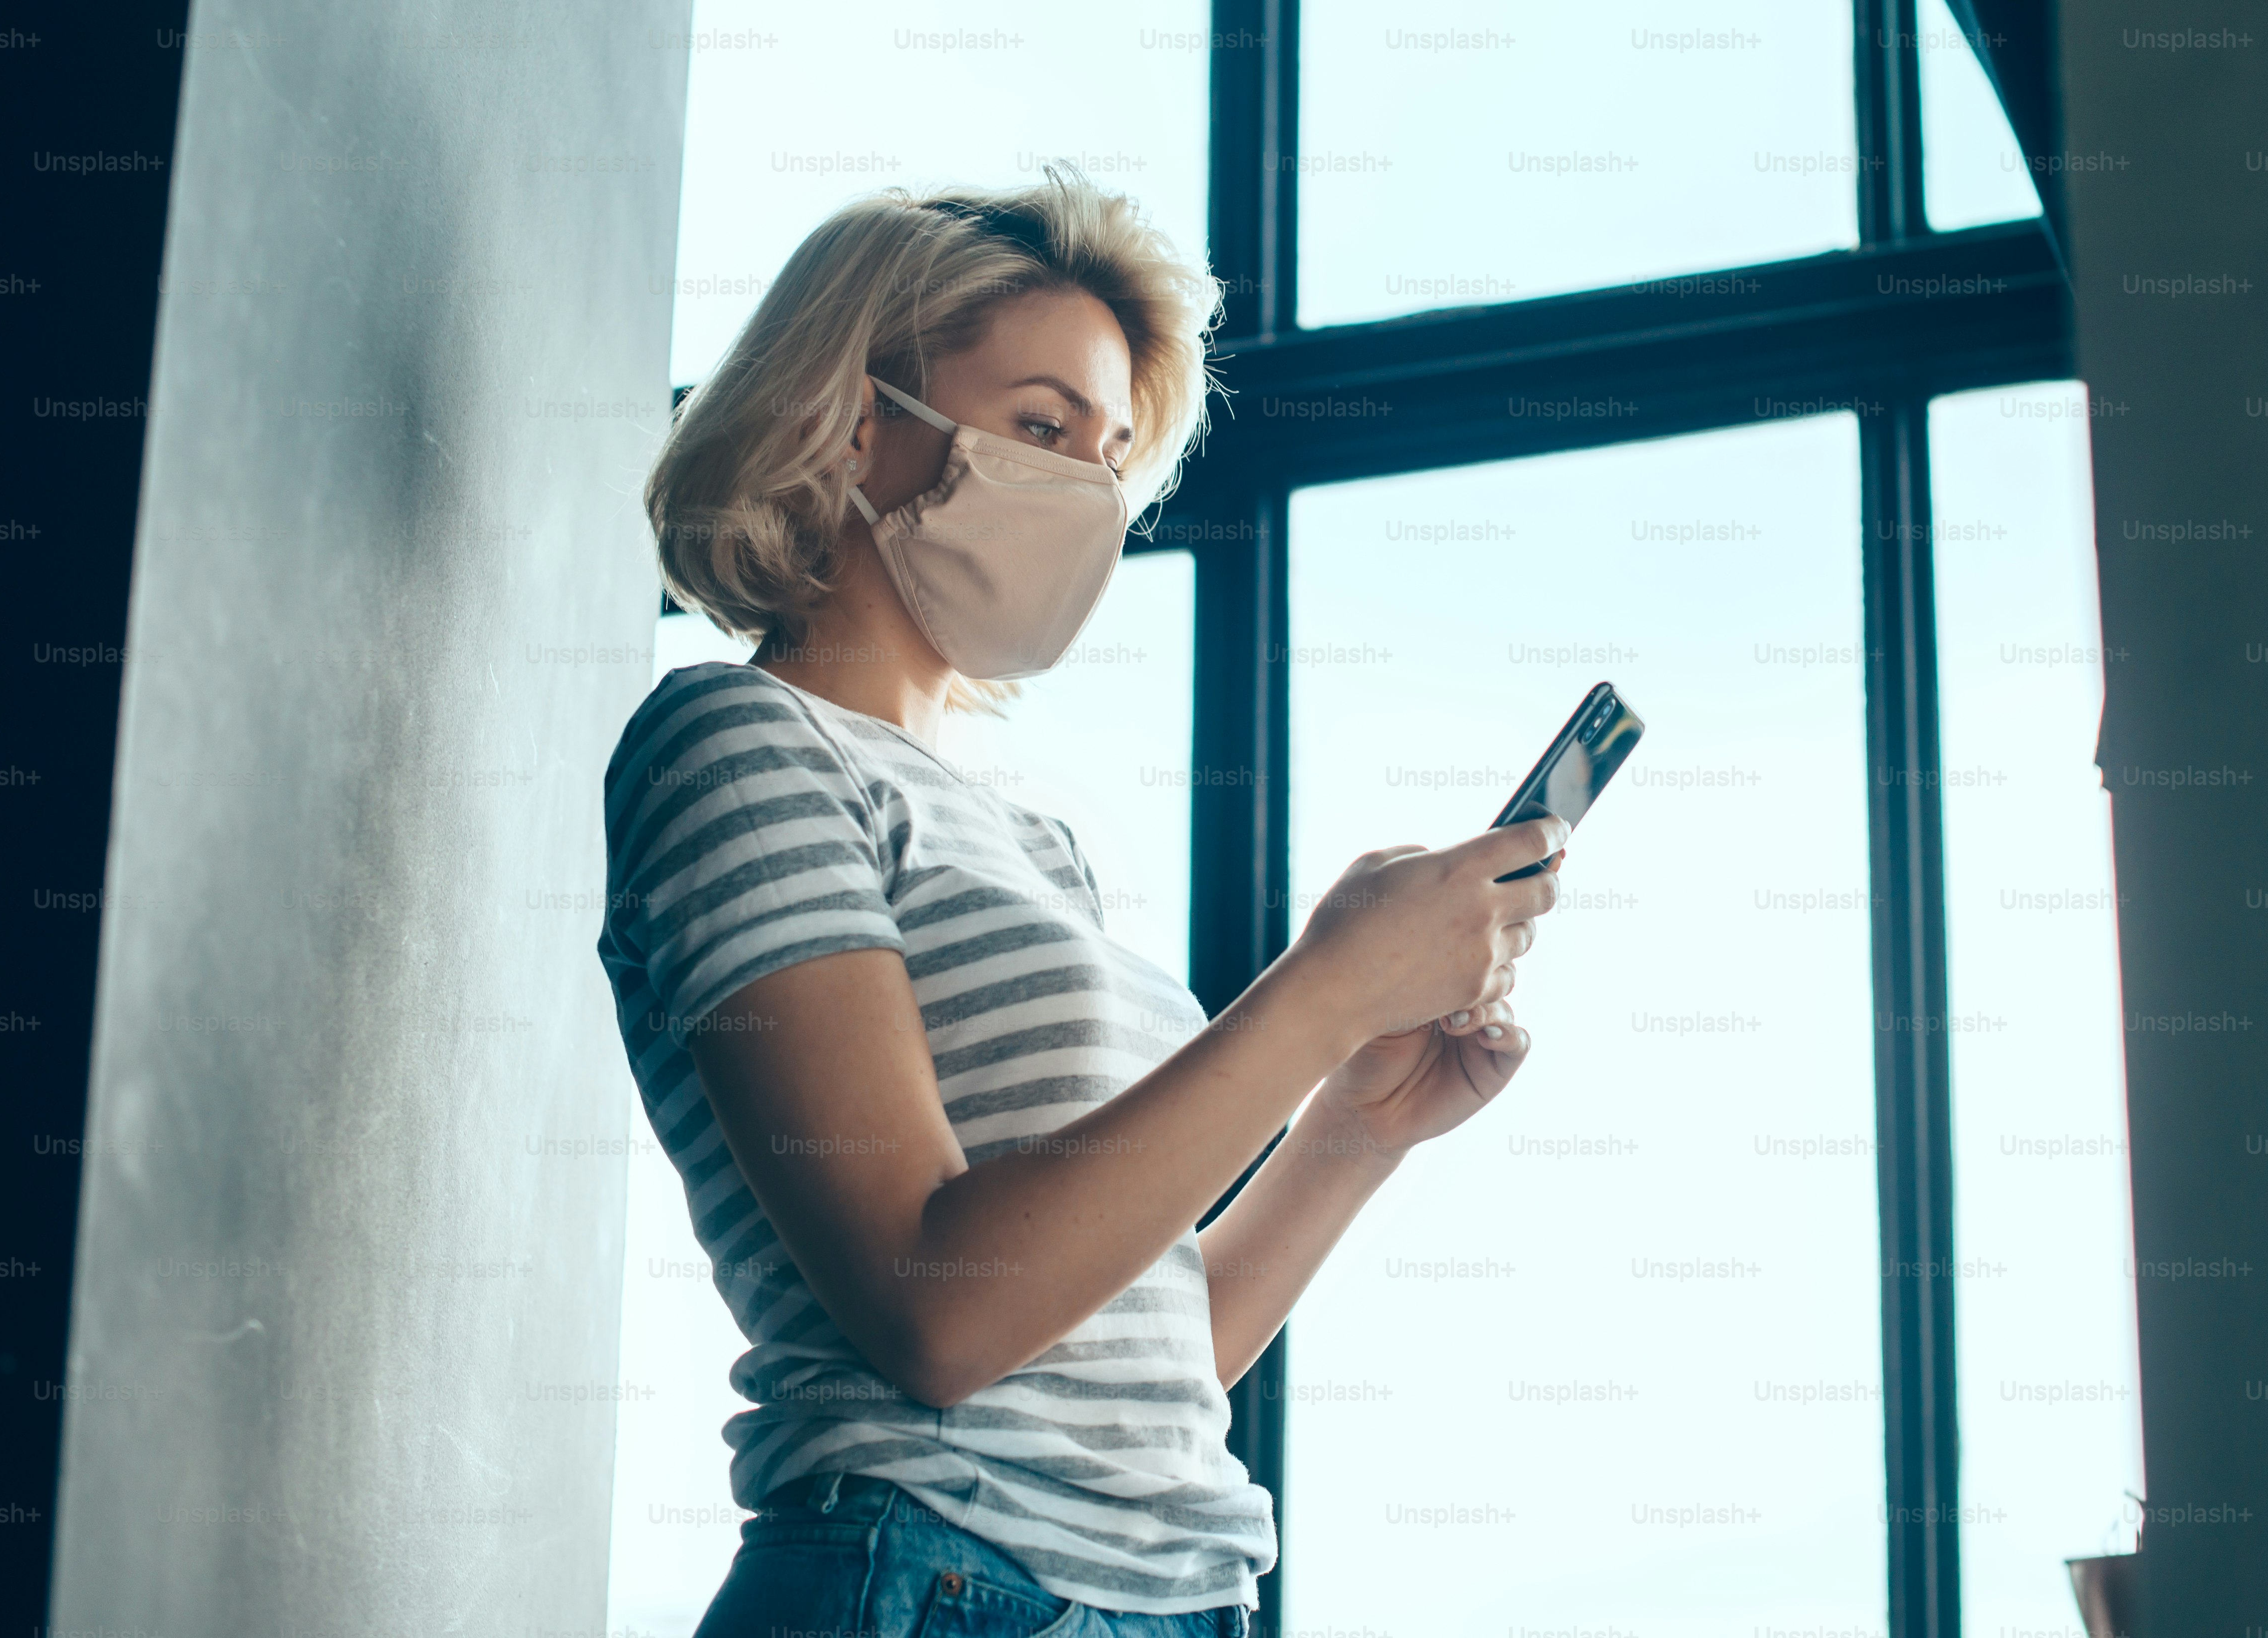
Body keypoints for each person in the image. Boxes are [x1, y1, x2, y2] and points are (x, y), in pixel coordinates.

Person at [601, 170, 1566, 1637]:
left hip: (1161, 1601)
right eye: (1041, 428)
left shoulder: (1032, 841)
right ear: (855, 422)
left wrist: (1355, 1126)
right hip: (928, 1583)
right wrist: (1318, 989)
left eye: (1109, 452)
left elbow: (1115, 1354)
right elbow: (944, 1311)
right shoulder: (735, 749)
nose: (1087, 491)